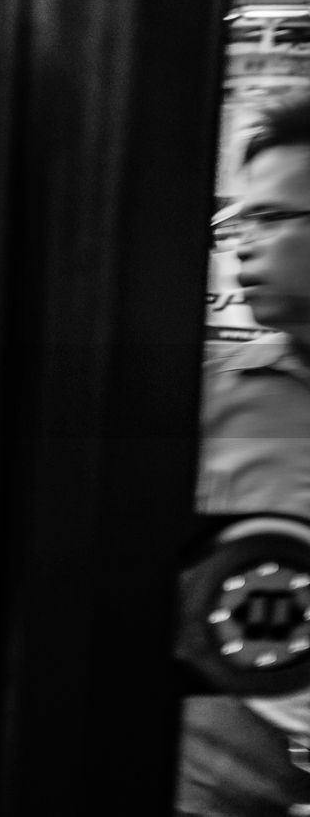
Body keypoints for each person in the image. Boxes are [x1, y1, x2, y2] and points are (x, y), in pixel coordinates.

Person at [177, 90, 310, 815]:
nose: (244, 242)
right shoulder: (213, 397)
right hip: (228, 754)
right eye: (240, 220)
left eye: (271, 216)